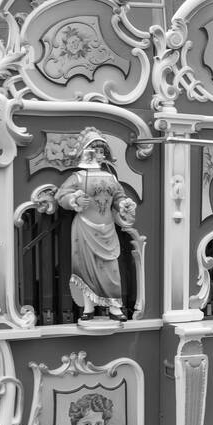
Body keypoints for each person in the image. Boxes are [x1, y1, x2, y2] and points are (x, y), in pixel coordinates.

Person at [56, 129, 138, 321]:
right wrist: (74, 200)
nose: (99, 155)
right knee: (85, 268)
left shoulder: (111, 178)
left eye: (101, 151)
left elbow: (118, 197)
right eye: (95, 150)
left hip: (107, 228)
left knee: (111, 268)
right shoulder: (77, 177)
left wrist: (123, 204)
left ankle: (115, 307)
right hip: (84, 227)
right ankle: (88, 307)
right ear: (86, 152)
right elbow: (61, 196)